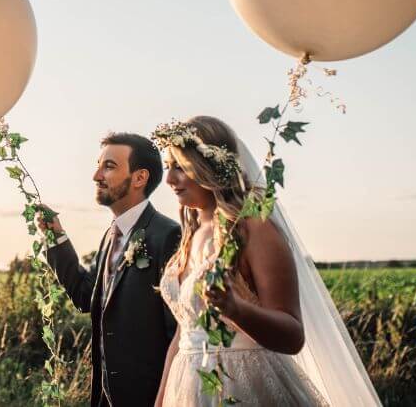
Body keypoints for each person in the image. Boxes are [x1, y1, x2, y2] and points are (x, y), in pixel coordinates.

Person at [154, 116, 380, 407]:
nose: (170, 180)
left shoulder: (254, 228)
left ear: (211, 165)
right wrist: (161, 401)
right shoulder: (191, 234)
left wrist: (237, 310)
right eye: (167, 167)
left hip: (245, 384)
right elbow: (184, 332)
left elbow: (292, 335)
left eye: (180, 167)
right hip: (185, 386)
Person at [38, 132, 181, 407]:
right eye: (98, 164)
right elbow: (84, 296)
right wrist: (57, 238)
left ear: (140, 178)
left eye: (109, 166)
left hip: (148, 396)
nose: (96, 175)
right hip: (104, 397)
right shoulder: (110, 236)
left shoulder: (168, 236)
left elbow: (177, 332)